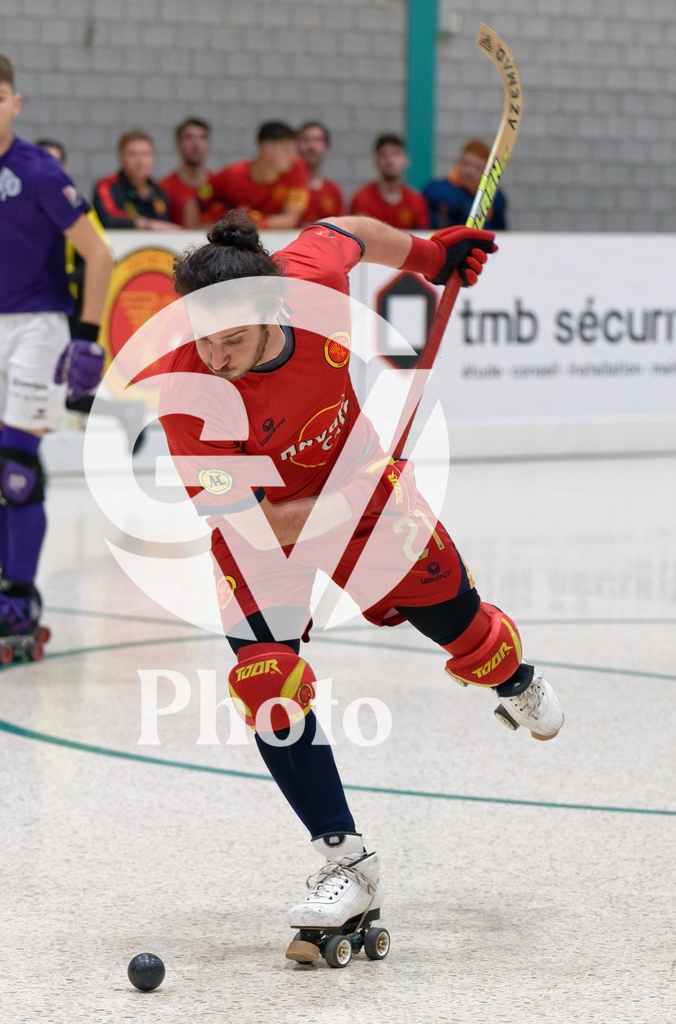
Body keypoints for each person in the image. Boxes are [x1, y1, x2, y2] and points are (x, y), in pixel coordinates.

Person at [153, 209, 564, 962]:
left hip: (367, 496)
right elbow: (256, 527)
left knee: (470, 636)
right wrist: (345, 499)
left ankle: (515, 680)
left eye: (231, 339)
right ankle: (346, 861)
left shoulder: (309, 280)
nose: (214, 355)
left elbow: (347, 231)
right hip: (274, 525)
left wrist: (430, 256)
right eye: (202, 337)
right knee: (266, 680)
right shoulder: (188, 393)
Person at [0, 52, 113, 645]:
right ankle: (9, 589)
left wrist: (86, 340)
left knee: (16, 473)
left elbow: (99, 255)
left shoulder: (38, 171)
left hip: (39, 327)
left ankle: (19, 594)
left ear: (15, 103)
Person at [37, 137, 112, 414]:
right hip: (27, 307)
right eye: (42, 162)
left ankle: (122, 413)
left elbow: (102, 254)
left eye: (54, 163)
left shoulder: (75, 207)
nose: (48, 170)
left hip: (62, 307)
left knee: (61, 390)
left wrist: (65, 280)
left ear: (65, 168)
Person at [186, 120, 309, 229]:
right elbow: (198, 198)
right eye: (287, 150)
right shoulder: (233, 175)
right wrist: (193, 233)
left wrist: (256, 222)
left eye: (294, 151)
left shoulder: (297, 169)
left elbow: (290, 219)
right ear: (266, 148)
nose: (293, 156)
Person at [92, 129, 179, 230]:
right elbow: (108, 219)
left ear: (153, 158)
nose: (140, 161)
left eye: (146, 154)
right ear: (121, 158)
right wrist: (148, 224)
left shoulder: (160, 192)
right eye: (133, 154)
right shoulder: (107, 186)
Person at [349, 133, 429, 230]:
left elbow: (422, 235)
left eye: (395, 154)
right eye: (384, 155)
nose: (390, 161)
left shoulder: (416, 201)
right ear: (376, 161)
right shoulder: (362, 198)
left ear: (406, 160)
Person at [423, 138, 508, 230]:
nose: (470, 171)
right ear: (458, 164)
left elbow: (501, 231)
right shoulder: (438, 190)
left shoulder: (494, 198)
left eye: (478, 167)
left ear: (486, 172)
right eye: (466, 164)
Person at [159, 117, 215, 227]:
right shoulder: (165, 188)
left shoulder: (219, 185)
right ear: (178, 145)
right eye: (189, 137)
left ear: (208, 146)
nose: (196, 144)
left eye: (202, 137)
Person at [296, 120, 345, 225]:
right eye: (305, 140)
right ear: (296, 145)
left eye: (317, 140)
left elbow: (341, 229)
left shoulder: (333, 191)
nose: (311, 146)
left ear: (326, 148)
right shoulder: (285, 186)